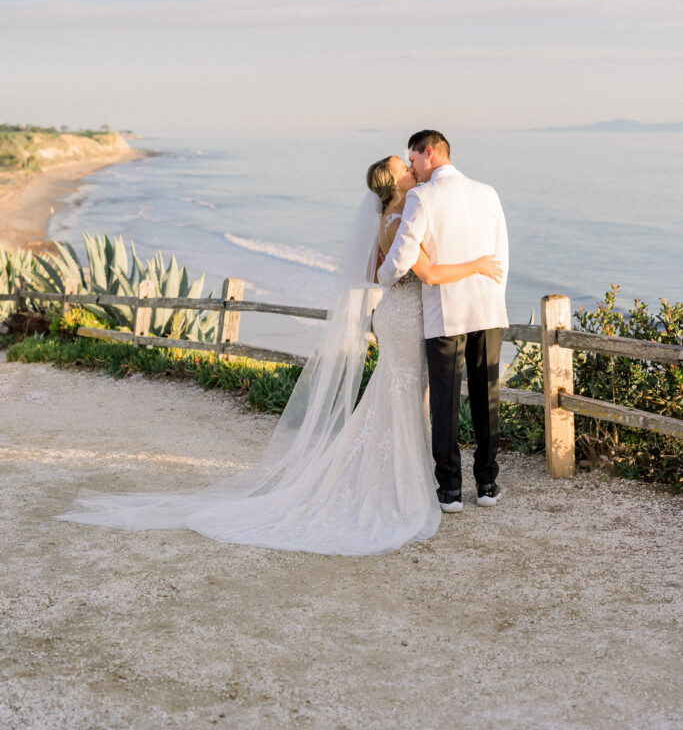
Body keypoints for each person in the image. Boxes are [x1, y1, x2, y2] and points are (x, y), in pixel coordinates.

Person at [56, 154, 502, 555]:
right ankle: (407, 483)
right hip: (406, 319)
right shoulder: (405, 210)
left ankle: (410, 476)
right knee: (405, 395)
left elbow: (371, 271)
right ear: (395, 180)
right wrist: (479, 264)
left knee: (396, 394)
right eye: (403, 166)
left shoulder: (388, 213)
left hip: (393, 314)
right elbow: (424, 270)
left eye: (411, 163)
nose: (411, 168)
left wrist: (396, 278)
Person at [377, 131, 509, 513]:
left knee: (445, 403)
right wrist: (494, 299)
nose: (412, 167)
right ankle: (487, 484)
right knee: (488, 398)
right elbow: (501, 253)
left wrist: (384, 280)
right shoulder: (488, 192)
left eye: (413, 159)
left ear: (428, 153)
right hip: (487, 307)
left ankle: (450, 490)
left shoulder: (422, 197)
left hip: (446, 311)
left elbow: (402, 256)